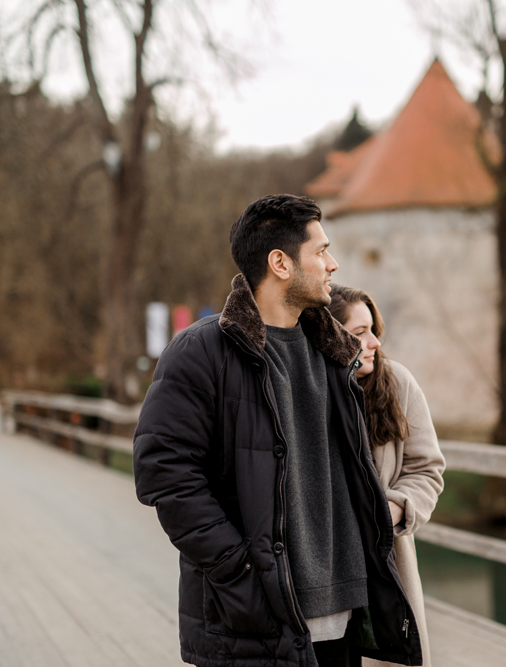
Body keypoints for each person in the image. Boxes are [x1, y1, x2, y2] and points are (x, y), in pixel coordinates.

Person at [132, 194, 421, 667]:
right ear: (280, 263)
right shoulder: (199, 353)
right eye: (321, 251)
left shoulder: (335, 352)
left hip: (344, 618)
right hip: (254, 623)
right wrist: (240, 570)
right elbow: (164, 474)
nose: (333, 264)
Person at [328, 285, 445, 667]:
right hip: (320, 570)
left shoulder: (397, 384)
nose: (375, 343)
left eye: (373, 330)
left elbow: (426, 469)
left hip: (383, 567)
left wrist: (390, 510)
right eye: (360, 333)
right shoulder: (305, 388)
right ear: (329, 335)